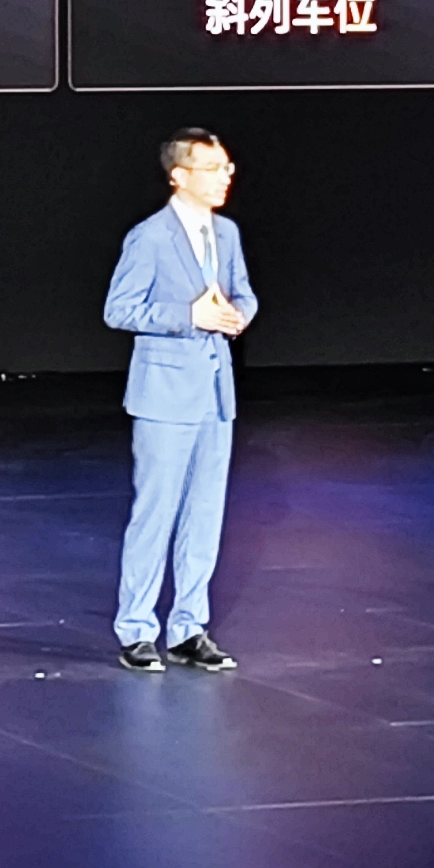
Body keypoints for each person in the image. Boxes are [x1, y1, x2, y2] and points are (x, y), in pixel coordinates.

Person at [102, 126, 255, 670]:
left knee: (205, 515)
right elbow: (119, 310)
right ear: (179, 175)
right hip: (165, 396)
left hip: (215, 393)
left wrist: (238, 315)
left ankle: (190, 627)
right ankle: (137, 629)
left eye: (226, 168)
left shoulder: (227, 233)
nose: (224, 178)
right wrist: (189, 316)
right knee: (156, 513)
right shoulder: (149, 238)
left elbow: (242, 292)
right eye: (212, 169)